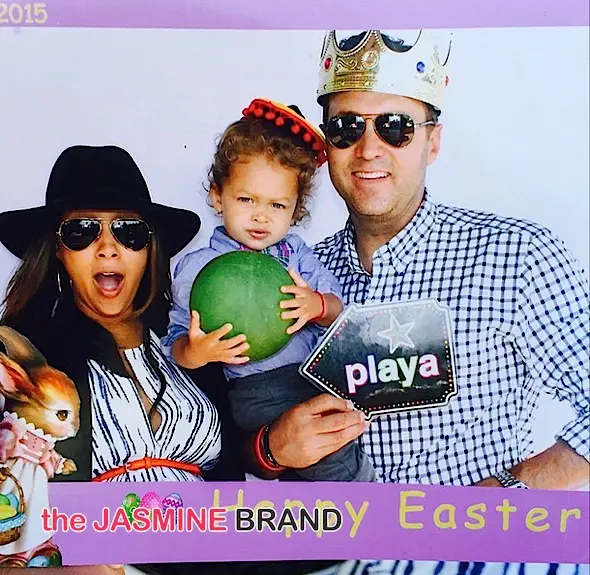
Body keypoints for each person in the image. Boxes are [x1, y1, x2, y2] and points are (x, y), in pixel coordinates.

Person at [245, 29, 590, 575]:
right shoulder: (291, 277)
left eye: (396, 126)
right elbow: (225, 424)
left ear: (433, 142)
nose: (368, 149)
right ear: (326, 147)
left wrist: (507, 496)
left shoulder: (517, 255)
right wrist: (270, 450)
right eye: (346, 128)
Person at [0, 144, 249, 572]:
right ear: (57, 249)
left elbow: (241, 469)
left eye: (128, 231)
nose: (107, 248)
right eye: (81, 230)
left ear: (150, 246)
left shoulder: (194, 337)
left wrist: (274, 448)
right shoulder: (25, 358)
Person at [161, 98, 375, 483]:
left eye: (277, 205)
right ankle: (367, 499)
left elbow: (338, 309)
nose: (261, 216)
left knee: (340, 432)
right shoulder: (196, 268)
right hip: (259, 389)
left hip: (317, 375)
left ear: (295, 210)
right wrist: (195, 352)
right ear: (217, 195)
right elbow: (173, 342)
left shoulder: (297, 254)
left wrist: (316, 305)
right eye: (246, 199)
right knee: (331, 453)